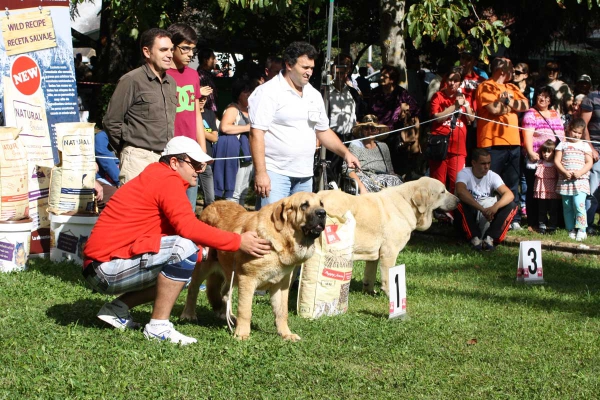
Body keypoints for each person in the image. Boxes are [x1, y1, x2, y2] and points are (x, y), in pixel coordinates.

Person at [82, 136, 271, 345]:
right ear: (174, 162)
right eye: (195, 164)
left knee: (184, 260)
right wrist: (237, 241)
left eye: (203, 166)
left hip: (100, 266)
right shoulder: (166, 180)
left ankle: (116, 309)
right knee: (183, 250)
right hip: (103, 268)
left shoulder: (160, 178)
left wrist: (205, 253)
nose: (199, 171)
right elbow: (188, 228)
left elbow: (176, 232)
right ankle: (158, 326)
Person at [249, 41, 360, 209]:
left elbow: (323, 131)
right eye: (305, 67)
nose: (309, 72)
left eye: (312, 68)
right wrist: (261, 173)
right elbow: (256, 134)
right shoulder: (268, 92)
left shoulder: (314, 95)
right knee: (271, 230)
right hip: (275, 174)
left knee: (301, 230)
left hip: (305, 176)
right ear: (289, 65)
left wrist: (346, 154)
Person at [103, 28, 177, 185]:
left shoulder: (171, 83)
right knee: (134, 209)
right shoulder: (131, 80)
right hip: (137, 160)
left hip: (165, 160)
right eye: (163, 50)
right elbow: (111, 121)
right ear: (147, 52)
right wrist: (128, 149)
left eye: (171, 49)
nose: (170, 54)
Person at [475, 57, 529, 230]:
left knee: (512, 183)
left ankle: (513, 218)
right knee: (489, 183)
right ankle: (487, 216)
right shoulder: (486, 86)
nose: (514, 71)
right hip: (492, 143)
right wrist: (508, 105)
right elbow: (493, 109)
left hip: (513, 143)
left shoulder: (512, 87)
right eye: (512, 68)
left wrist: (507, 102)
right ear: (502, 70)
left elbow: (525, 104)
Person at [166, 23, 206, 212]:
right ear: (171, 47)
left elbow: (197, 113)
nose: (191, 54)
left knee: (188, 209)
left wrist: (202, 150)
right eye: (186, 48)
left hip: (191, 152)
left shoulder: (193, 75)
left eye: (193, 49)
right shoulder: (162, 75)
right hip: (168, 152)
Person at [454, 148, 518, 251]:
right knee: (459, 203)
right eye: (483, 163)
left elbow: (509, 194)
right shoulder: (464, 173)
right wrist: (481, 209)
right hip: (472, 211)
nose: (487, 167)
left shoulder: (492, 175)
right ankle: (474, 238)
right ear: (474, 163)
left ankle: (490, 238)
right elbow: (461, 192)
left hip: (487, 212)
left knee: (511, 205)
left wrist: (494, 208)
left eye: (489, 163)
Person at [520, 85, 565, 230]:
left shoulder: (555, 113)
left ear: (550, 99)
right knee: (535, 191)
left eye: (546, 96)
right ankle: (534, 222)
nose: (542, 98)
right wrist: (530, 152)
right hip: (537, 160)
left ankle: (554, 222)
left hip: (554, 160)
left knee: (554, 192)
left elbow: (562, 135)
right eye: (540, 95)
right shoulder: (531, 113)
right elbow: (526, 135)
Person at [429, 67, 475, 194]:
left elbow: (471, 119)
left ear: (460, 83)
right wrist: (455, 106)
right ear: (446, 80)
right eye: (450, 80)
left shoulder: (465, 97)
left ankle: (454, 212)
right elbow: (437, 117)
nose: (453, 83)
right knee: (438, 183)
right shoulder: (437, 96)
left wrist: (466, 105)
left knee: (458, 182)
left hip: (458, 148)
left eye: (456, 80)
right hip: (440, 144)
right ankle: (438, 212)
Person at [212, 78, 257, 205]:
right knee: (234, 194)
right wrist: (248, 128)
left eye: (251, 92)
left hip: (249, 156)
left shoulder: (251, 110)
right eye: (246, 92)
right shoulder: (233, 109)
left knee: (243, 192)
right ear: (238, 94)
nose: (249, 95)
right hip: (237, 157)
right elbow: (224, 127)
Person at [554, 118, 593, 241]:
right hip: (566, 181)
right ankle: (570, 229)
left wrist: (580, 172)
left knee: (579, 204)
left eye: (579, 133)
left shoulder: (584, 145)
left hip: (580, 181)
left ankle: (582, 229)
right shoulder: (562, 144)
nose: (576, 135)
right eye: (574, 132)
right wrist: (564, 172)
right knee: (567, 206)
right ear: (569, 130)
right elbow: (557, 160)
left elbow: (589, 162)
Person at [344, 114, 402, 194]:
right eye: (366, 128)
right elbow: (347, 169)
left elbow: (390, 170)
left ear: (377, 131)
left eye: (373, 128)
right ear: (362, 130)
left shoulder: (383, 146)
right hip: (364, 177)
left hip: (383, 178)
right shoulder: (355, 145)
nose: (369, 131)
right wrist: (361, 187)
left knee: (397, 182)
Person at [196, 48, 219, 208]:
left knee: (210, 198)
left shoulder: (208, 75)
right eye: (213, 58)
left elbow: (214, 137)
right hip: (198, 116)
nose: (215, 61)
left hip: (208, 116)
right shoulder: (199, 76)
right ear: (205, 59)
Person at [579, 87, 600, 235]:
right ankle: (588, 224)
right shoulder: (591, 97)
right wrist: (591, 148)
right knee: (592, 190)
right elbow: (583, 125)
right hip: (596, 148)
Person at [534, 140, 561, 234]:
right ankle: (542, 225)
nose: (546, 154)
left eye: (549, 152)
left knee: (553, 209)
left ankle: (552, 225)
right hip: (541, 191)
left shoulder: (556, 164)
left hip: (553, 191)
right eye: (544, 151)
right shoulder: (539, 163)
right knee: (542, 209)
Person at [94, 128, 120, 211]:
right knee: (117, 198)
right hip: (103, 179)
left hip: (120, 177)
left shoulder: (129, 137)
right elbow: (107, 164)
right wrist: (120, 182)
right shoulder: (101, 137)